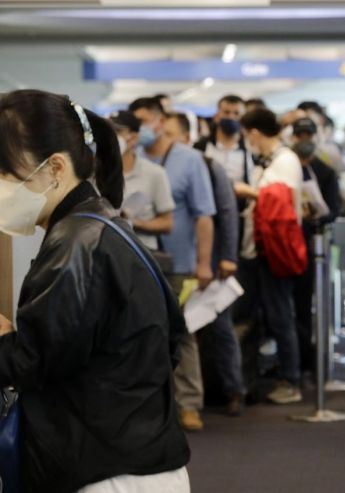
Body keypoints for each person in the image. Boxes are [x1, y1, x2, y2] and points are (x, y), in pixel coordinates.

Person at [0, 89, 190, 492]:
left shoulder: (76, 245)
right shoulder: (104, 228)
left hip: (106, 472)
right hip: (136, 457)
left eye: (4, 174)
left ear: (54, 168)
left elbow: (33, 364)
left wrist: (3, 339)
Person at [130, 96, 216, 432]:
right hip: (139, 262)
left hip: (180, 262)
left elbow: (204, 216)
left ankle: (189, 405)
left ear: (161, 121)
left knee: (182, 333)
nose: (141, 129)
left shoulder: (190, 160)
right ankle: (150, 406)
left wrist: (204, 263)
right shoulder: (132, 160)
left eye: (144, 120)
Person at [166, 112, 247, 416]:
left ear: (187, 137)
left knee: (219, 326)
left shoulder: (208, 166)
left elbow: (225, 214)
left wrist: (227, 257)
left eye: (171, 135)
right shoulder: (158, 167)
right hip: (180, 260)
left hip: (210, 261)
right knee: (185, 329)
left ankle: (233, 389)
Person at [238, 107, 305, 404]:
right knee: (267, 315)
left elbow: (283, 206)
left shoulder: (285, 160)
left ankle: (291, 379)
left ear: (254, 132)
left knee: (281, 316)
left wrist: (247, 192)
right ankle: (273, 374)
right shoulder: (267, 162)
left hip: (277, 251)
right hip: (261, 248)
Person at [291, 117, 341, 375]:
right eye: (299, 135)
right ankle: (294, 359)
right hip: (288, 243)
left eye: (308, 135)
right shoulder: (285, 167)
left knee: (306, 305)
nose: (304, 140)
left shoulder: (325, 171)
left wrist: (317, 216)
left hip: (312, 244)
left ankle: (309, 360)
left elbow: (334, 209)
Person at [110, 110, 175, 250]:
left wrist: (131, 222)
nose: (109, 136)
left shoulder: (154, 174)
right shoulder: (96, 173)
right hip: (106, 254)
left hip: (141, 255)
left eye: (117, 131)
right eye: (108, 130)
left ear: (133, 138)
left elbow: (167, 223)